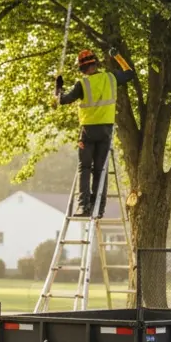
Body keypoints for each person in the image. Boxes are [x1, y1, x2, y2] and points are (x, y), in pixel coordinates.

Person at [54, 49, 135, 217]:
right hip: (106, 130)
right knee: (100, 170)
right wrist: (116, 55)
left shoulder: (82, 85)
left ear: (82, 69)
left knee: (84, 168)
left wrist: (58, 87)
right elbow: (129, 73)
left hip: (88, 131)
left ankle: (84, 208)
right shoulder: (111, 78)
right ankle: (98, 209)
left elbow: (62, 100)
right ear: (96, 63)